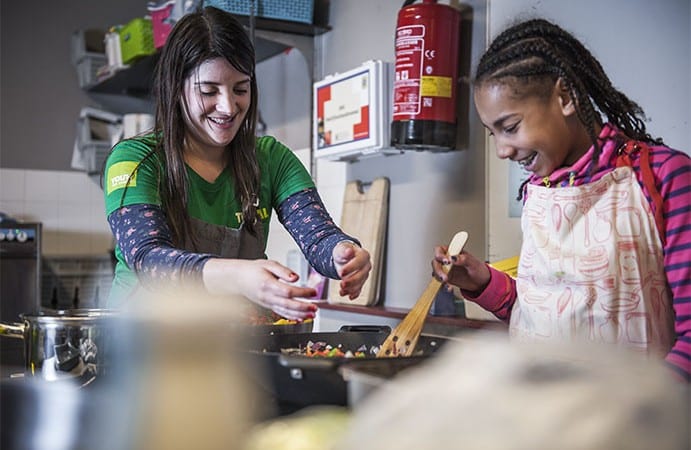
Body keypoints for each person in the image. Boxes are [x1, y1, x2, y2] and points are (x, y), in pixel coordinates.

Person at [432, 18, 691, 381]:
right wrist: (481, 282)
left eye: (509, 127)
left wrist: (644, 412)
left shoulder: (662, 176)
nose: (502, 150)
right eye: (493, 134)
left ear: (564, 97)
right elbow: (543, 317)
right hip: (541, 416)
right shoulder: (541, 192)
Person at [103, 6, 371, 321]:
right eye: (208, 90)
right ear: (176, 89)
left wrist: (343, 254)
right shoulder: (134, 160)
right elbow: (149, 260)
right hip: (143, 346)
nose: (228, 106)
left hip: (234, 347)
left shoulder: (272, 159)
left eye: (240, 89)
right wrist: (241, 277)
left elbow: (318, 236)